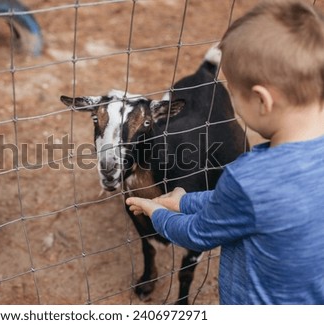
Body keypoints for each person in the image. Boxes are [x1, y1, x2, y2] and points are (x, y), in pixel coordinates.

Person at [126, 0, 324, 304]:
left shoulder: (249, 176)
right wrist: (187, 200)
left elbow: (198, 234)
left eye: (232, 92)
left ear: (262, 101)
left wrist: (159, 214)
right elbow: (240, 205)